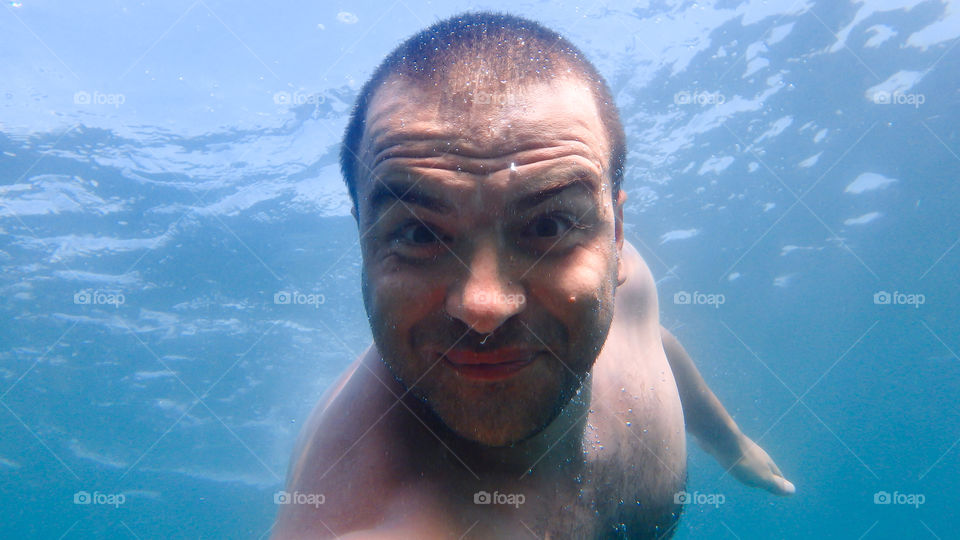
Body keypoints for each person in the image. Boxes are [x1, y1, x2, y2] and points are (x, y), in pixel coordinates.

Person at [273, 12, 793, 539]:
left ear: (615, 238)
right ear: (362, 243)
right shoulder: (363, 521)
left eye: (547, 223)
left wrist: (729, 443)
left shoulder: (629, 279)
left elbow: (649, 339)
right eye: (418, 234)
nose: (484, 306)